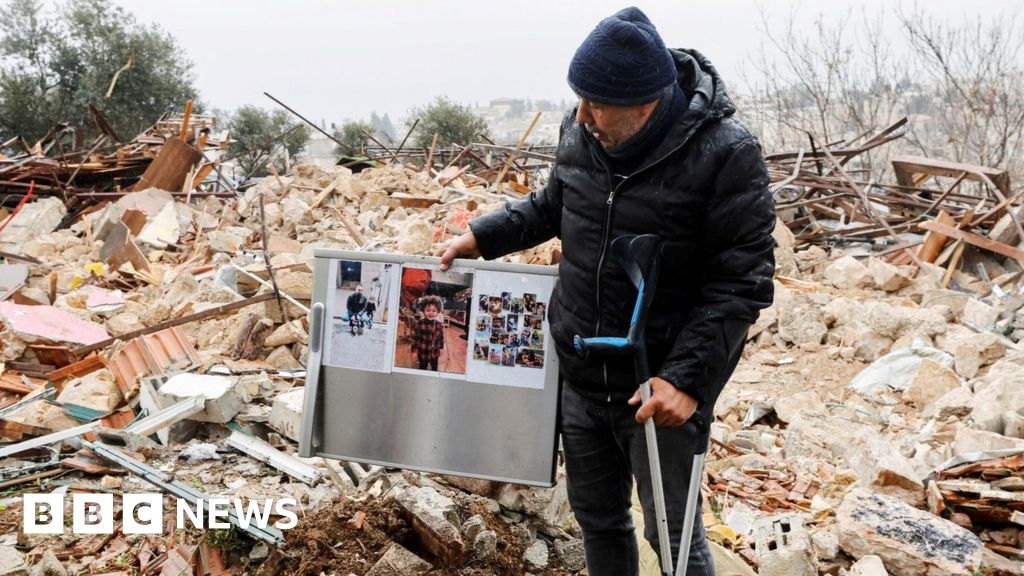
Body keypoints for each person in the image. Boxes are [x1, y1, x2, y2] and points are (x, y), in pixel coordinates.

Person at [439, 7, 775, 575]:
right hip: (582, 374)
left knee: (672, 538)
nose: (584, 115)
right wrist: (484, 234)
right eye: (581, 98)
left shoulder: (726, 154)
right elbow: (555, 204)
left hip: (658, 388)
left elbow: (741, 282)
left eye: (598, 104)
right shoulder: (582, 129)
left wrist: (685, 382)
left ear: (647, 103)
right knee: (598, 522)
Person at [411, 295, 445, 371]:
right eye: (428, 310)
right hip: (423, 353)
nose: (431, 313)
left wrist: (441, 348)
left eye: (434, 311)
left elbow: (441, 338)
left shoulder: (439, 324)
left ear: (437, 312)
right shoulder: (419, 324)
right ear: (423, 311)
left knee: (434, 368)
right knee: (422, 367)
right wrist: (414, 351)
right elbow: (415, 339)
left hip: (435, 353)